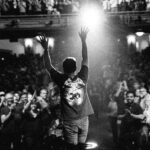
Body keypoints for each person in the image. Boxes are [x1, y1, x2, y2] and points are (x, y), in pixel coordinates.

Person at [37, 27, 94, 150]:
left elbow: (48, 66)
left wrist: (46, 48)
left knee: (71, 147)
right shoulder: (83, 76)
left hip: (69, 119)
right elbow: (85, 58)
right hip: (84, 117)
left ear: (63, 69)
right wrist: (83, 40)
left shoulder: (60, 79)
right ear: (75, 67)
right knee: (81, 145)